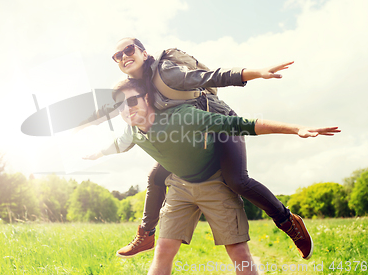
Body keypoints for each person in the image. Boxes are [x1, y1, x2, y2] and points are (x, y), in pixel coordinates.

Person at [86, 37, 315, 260]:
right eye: (118, 55)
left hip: (218, 122)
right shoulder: (133, 89)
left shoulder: (165, 73)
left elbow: (210, 77)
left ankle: (288, 222)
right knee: (155, 177)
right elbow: (119, 123)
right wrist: (95, 147)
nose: (124, 56)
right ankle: (146, 236)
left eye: (129, 50)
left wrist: (255, 73)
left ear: (143, 53)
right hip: (190, 130)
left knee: (237, 181)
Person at [84, 78, 340, 275]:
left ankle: (288, 221)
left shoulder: (181, 117)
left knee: (238, 251)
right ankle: (145, 234)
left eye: (132, 101)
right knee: (163, 251)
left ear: (147, 98)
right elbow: (115, 145)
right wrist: (94, 154)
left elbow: (241, 125)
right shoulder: (131, 132)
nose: (127, 110)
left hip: (216, 180)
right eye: (120, 106)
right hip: (180, 187)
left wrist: (296, 129)